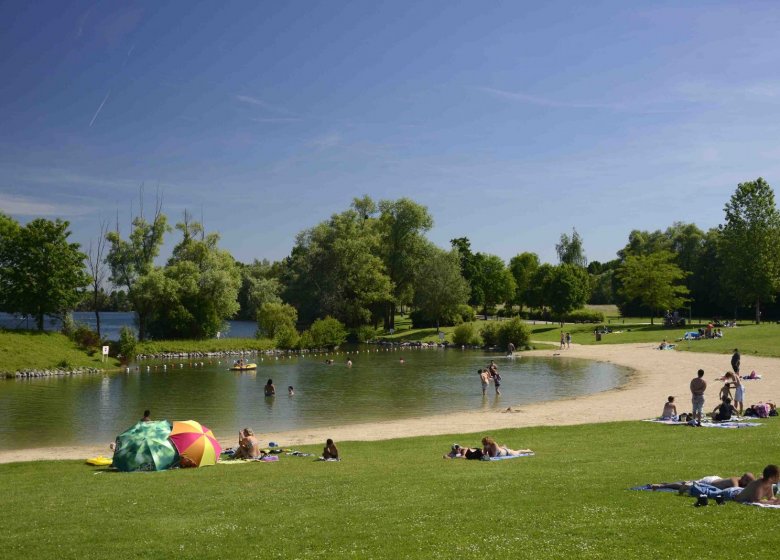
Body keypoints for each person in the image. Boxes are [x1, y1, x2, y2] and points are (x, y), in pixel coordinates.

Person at [651, 473, 754, 492]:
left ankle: (665, 483)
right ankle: (661, 486)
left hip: (715, 480)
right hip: (709, 482)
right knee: (684, 486)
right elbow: (735, 490)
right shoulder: (734, 480)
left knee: (687, 483)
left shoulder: (741, 481)